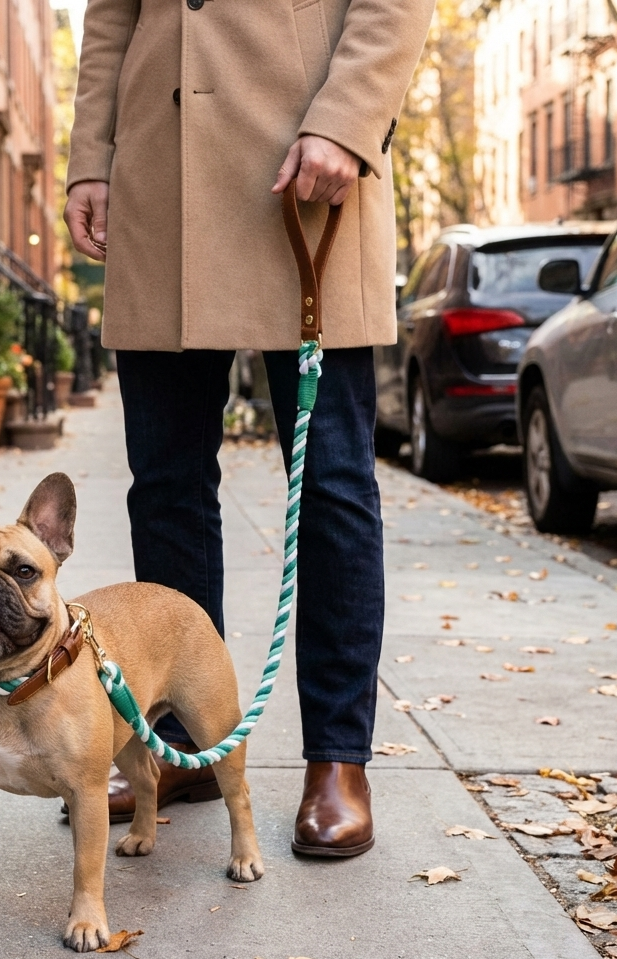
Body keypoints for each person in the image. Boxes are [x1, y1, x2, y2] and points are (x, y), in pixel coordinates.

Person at [64, 0, 435, 857]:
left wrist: (347, 121)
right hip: (160, 174)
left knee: (334, 484)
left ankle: (338, 759)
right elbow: (112, 15)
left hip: (304, 164)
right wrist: (92, 157)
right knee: (164, 481)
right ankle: (187, 742)